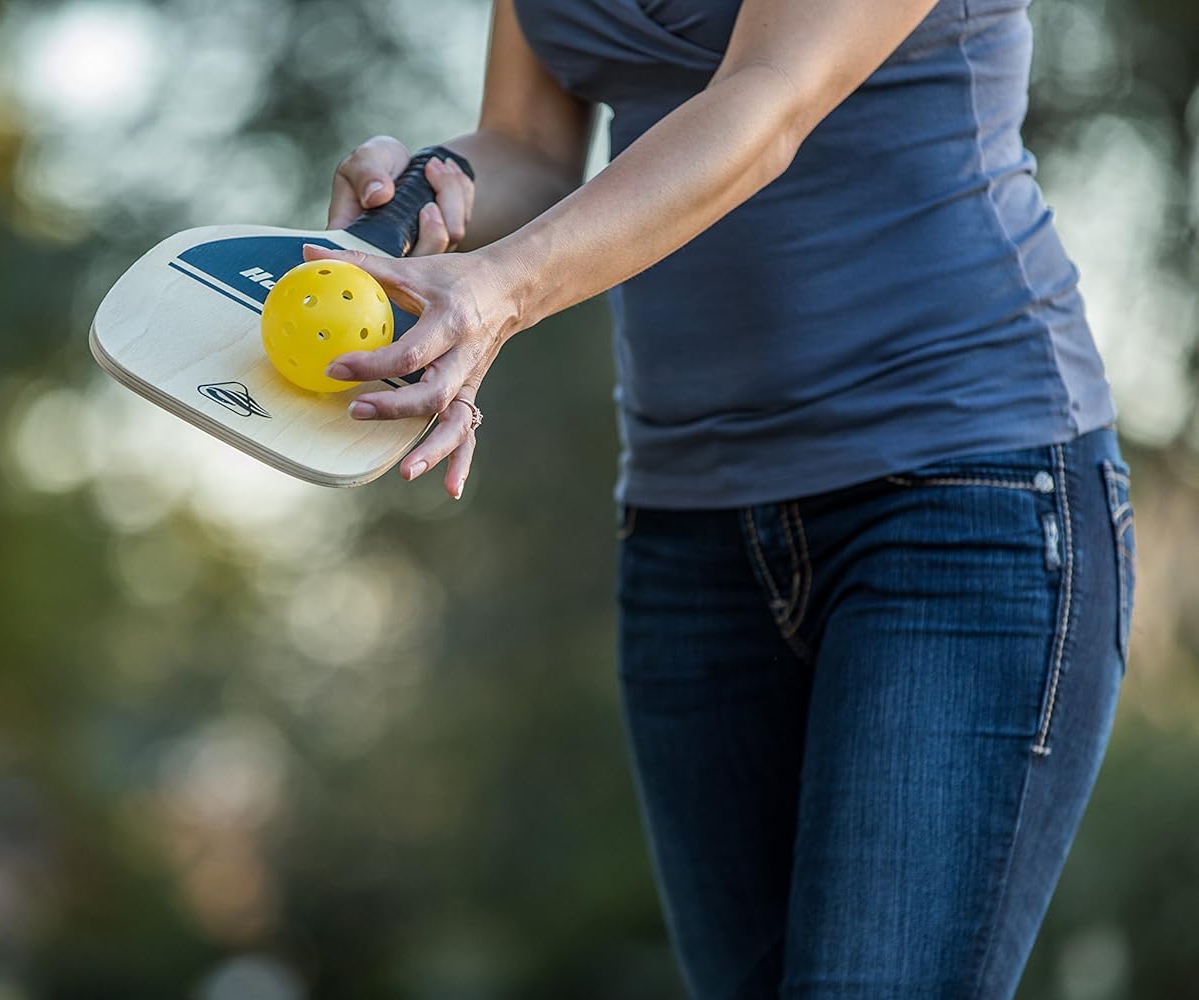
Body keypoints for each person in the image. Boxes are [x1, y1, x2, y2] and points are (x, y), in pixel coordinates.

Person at [306, 0, 1136, 995]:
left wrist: (499, 292)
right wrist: (428, 190)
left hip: (964, 495)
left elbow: (767, 103)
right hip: (688, 527)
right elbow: (530, 140)